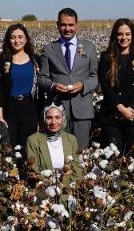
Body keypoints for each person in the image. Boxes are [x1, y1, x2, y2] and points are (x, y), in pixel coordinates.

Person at [37, 8, 98, 145]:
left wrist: (83, 85)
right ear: (57, 25)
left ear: (77, 25)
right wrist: (53, 86)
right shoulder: (49, 49)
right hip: (57, 110)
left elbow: (95, 77)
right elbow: (42, 78)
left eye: (71, 25)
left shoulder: (89, 47)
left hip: (82, 110)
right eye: (63, 25)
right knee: (57, 152)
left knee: (81, 151)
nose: (67, 29)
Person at [97, 18, 134, 151]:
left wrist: (132, 108)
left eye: (127, 34)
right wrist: (120, 108)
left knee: (131, 158)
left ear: (133, 35)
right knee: (112, 155)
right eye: (120, 34)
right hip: (111, 116)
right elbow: (105, 86)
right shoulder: (106, 57)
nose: (124, 37)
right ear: (115, 36)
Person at [0, 23, 40, 149]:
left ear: (26, 39)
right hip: (9, 108)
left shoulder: (35, 60)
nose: (17, 40)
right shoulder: (1, 60)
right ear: (8, 40)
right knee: (8, 147)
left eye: (20, 37)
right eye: (13, 37)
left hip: (29, 108)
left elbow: (40, 91)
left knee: (28, 148)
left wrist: (40, 117)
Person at [25, 104, 80, 174]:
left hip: (69, 182)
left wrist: (65, 182)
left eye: (57, 117)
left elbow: (77, 169)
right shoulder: (33, 140)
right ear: (44, 119)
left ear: (63, 119)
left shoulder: (71, 139)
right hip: (44, 183)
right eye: (49, 118)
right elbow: (33, 170)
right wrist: (50, 183)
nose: (53, 122)